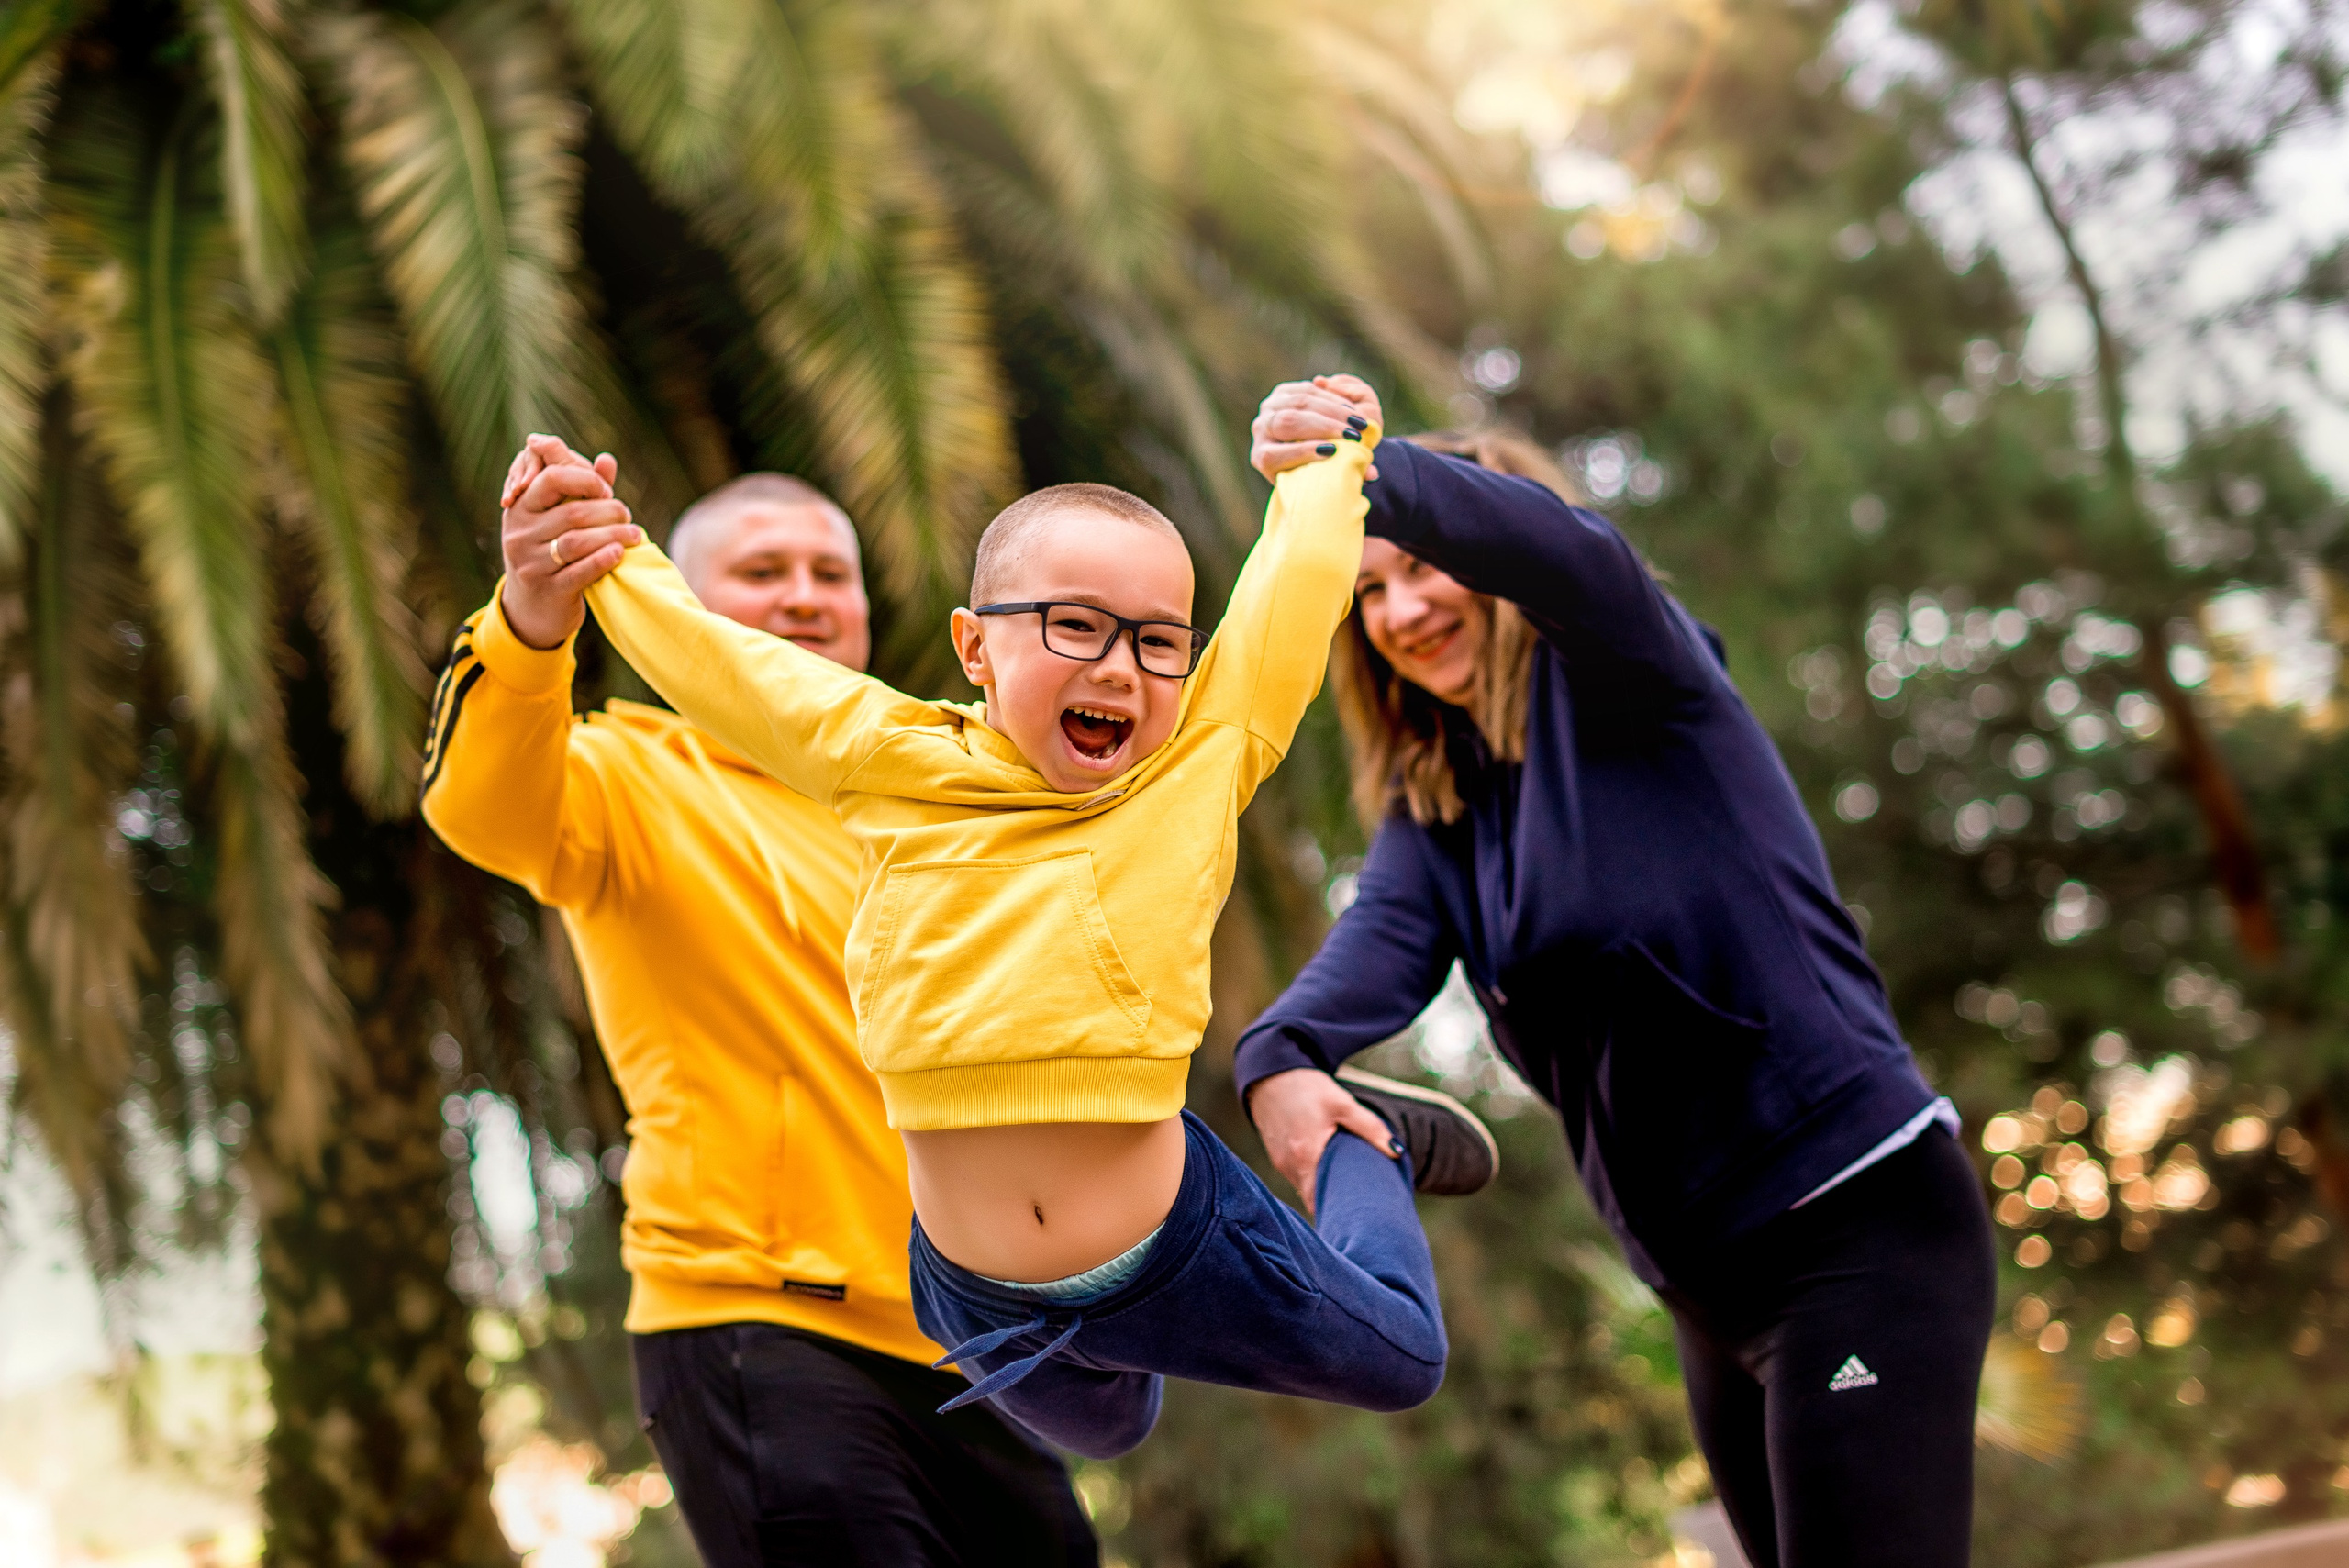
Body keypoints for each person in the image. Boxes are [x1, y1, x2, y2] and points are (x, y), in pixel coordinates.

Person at [512, 402, 1496, 1462]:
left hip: (1175, 1245)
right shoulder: (891, 759)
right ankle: (1100, 1351)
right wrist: (602, 551)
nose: (1119, 667)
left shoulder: (1194, 765)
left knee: (1403, 1359)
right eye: (1074, 625)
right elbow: (724, 669)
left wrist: (1327, 458)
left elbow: (1292, 594)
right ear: (975, 646)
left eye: (1160, 642)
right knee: (1110, 1429)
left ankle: (1366, 1145)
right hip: (974, 1287)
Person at [1235, 380, 1998, 1568]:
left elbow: (1574, 556)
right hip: (1706, 1286)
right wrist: (1277, 1057)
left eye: (1425, 568)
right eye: (1369, 590)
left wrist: (1367, 475)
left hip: (1853, 1221)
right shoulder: (1440, 808)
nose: (1402, 608)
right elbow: (1376, 949)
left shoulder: (1638, 680)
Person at [420, 459, 1097, 1566]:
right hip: (759, 1324)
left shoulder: (942, 795)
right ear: (679, 607)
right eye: (762, 569)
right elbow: (478, 799)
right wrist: (535, 617)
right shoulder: (624, 774)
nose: (802, 594)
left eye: (830, 571)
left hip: (972, 1346)